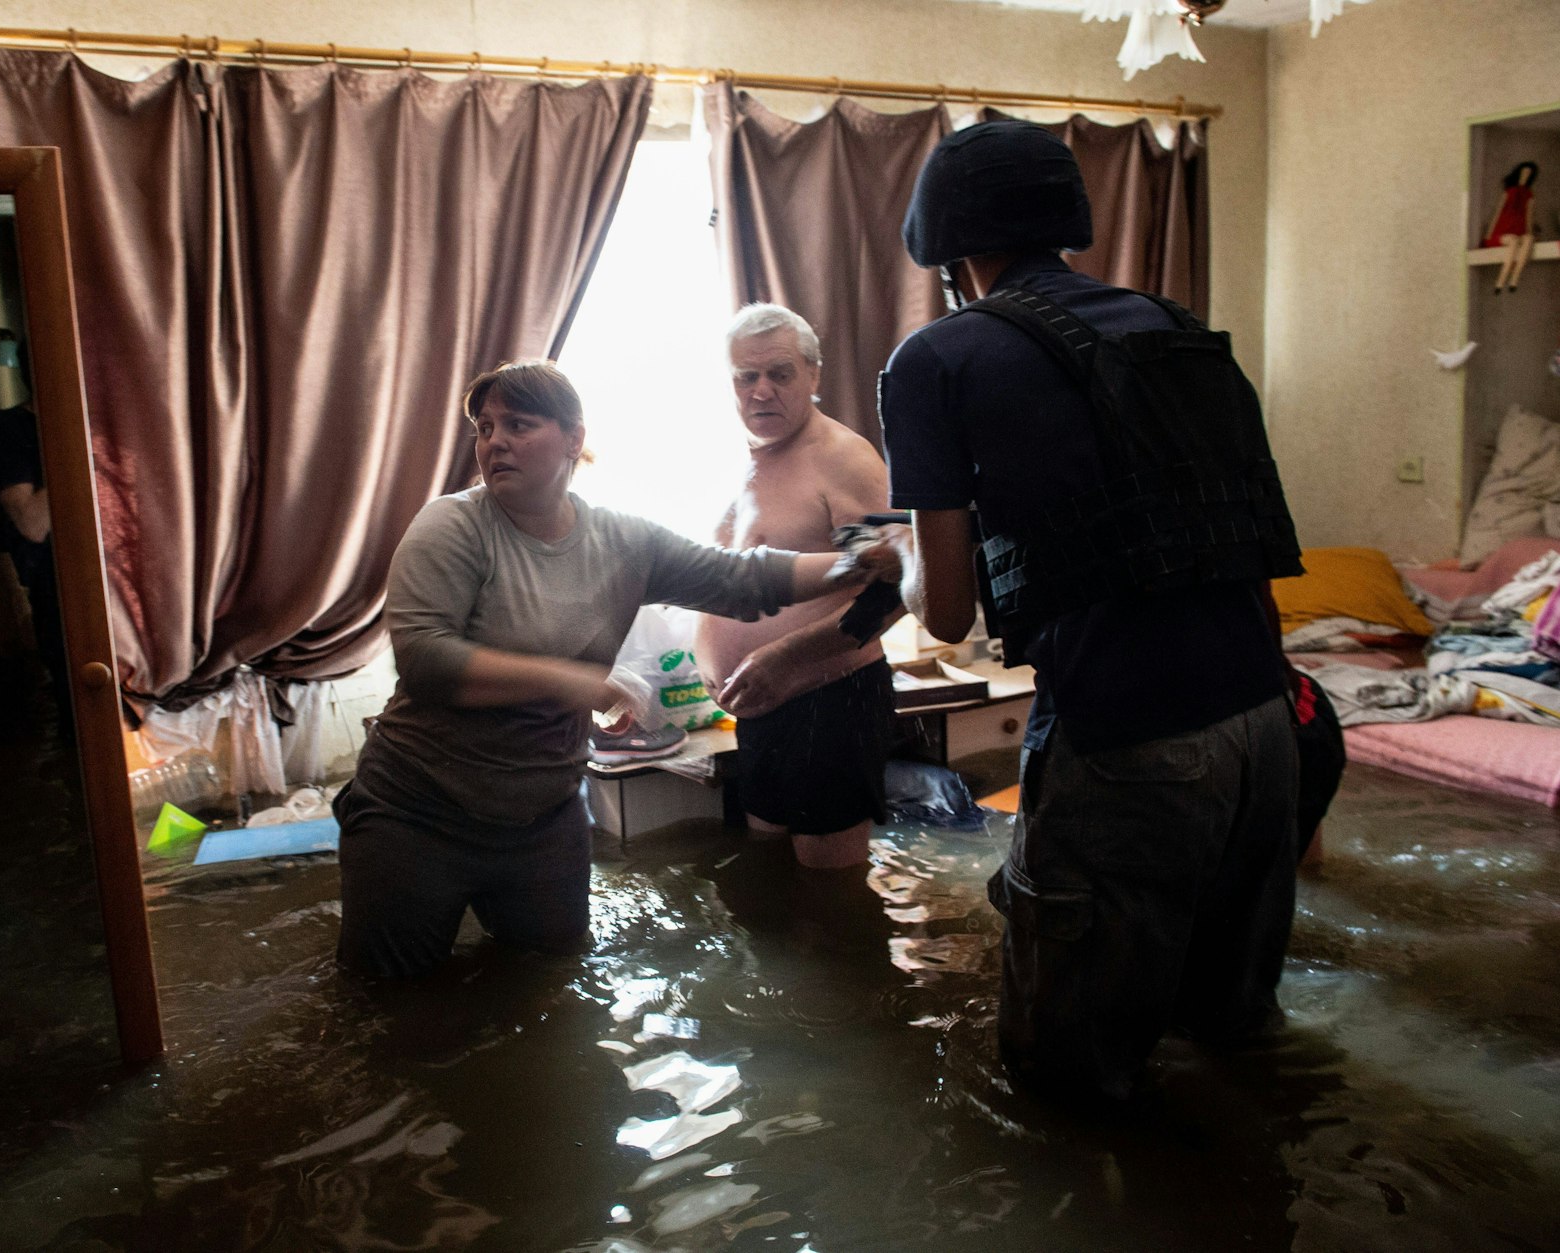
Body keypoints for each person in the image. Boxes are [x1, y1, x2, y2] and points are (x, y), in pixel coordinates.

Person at [878, 119, 1305, 1102]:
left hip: (1127, 743)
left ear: (944, 243)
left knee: (1061, 1082)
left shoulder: (934, 359)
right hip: (1263, 724)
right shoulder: (1179, 331)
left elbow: (943, 612)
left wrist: (899, 552)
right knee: (1234, 1039)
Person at [334, 361, 894, 980]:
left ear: (574, 439)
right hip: (416, 813)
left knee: (549, 986)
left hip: (542, 817)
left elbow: (742, 576)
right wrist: (576, 681)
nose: (495, 441)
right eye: (485, 427)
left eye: (518, 425)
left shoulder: (622, 540)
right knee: (388, 1006)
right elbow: (425, 659)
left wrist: (855, 563)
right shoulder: (451, 526)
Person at [695, 304, 900, 871]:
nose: (762, 391)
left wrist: (785, 656)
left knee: (832, 893)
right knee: (768, 875)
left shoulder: (841, 459)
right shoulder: (745, 461)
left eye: (779, 374)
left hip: (830, 699)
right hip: (761, 707)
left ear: (813, 375)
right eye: (746, 376)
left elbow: (897, 589)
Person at [0, 403, 71, 734]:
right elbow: (32, 523)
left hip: (130, 585)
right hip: (63, 593)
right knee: (82, 718)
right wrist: (79, 445)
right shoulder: (6, 431)